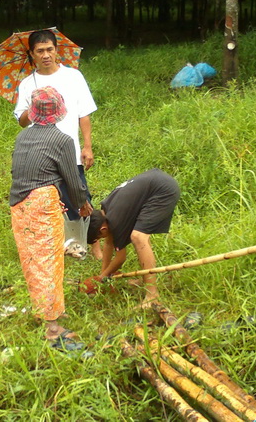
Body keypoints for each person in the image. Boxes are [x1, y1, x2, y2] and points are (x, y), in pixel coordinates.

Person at [10, 86, 92, 341]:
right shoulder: (63, 140)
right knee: (47, 260)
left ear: (33, 113)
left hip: (19, 204)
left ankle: (50, 308)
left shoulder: (23, 136)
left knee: (37, 259)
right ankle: (52, 328)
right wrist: (82, 203)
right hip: (42, 202)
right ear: (59, 112)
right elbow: (71, 177)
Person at [13, 29, 102, 259]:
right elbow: (22, 121)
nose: (45, 55)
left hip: (69, 149)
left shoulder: (73, 77)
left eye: (49, 49)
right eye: (40, 51)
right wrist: (33, 108)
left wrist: (87, 146)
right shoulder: (26, 84)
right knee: (50, 201)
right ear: (32, 54)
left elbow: (84, 114)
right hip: (41, 155)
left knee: (81, 195)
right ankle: (61, 246)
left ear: (56, 50)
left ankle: (93, 243)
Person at [81, 169, 181, 308]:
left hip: (163, 190)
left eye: (100, 237)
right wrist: (103, 276)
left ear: (102, 229)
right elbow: (109, 242)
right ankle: (146, 278)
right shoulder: (107, 209)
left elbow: (120, 258)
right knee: (139, 235)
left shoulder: (116, 220)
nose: (104, 239)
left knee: (139, 237)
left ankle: (152, 295)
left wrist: (103, 277)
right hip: (155, 181)